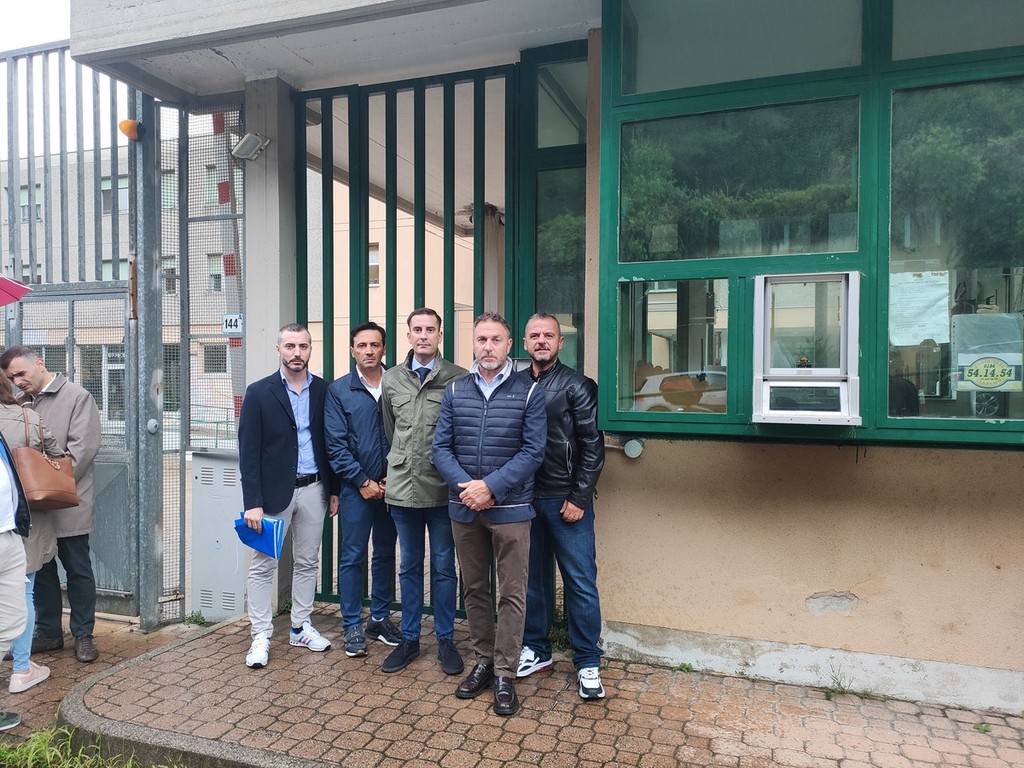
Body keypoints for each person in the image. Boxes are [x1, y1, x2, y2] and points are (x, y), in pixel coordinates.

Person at [431, 312, 546, 717]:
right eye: (482, 339)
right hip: (465, 506)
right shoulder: (455, 390)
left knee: (511, 593)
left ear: (509, 345)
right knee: (475, 589)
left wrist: (491, 487)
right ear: (473, 343)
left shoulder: (529, 391)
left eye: (496, 339)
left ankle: (505, 674)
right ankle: (482, 661)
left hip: (511, 509)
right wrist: (469, 488)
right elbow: (440, 448)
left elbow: (533, 452)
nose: (488, 347)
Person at [238, 323, 340, 669]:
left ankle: (299, 627)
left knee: (308, 561)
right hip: (271, 496)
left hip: (314, 489)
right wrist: (252, 502)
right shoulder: (258, 392)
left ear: (311, 349)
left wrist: (334, 489)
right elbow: (248, 452)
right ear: (278, 349)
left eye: (303, 346)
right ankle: (260, 634)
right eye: (290, 346)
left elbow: (331, 443)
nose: (297, 353)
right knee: (263, 564)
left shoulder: (325, 390)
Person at [517, 313, 607, 699]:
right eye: (534, 335)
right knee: (531, 581)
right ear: (524, 343)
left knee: (580, 583)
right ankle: (537, 650)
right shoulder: (515, 384)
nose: (541, 341)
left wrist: (578, 497)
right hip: (524, 500)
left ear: (560, 342)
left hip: (565, 501)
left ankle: (587, 662)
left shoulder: (578, 385)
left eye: (548, 335)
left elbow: (592, 447)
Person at [379, 308, 466, 675]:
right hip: (403, 487)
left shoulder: (458, 378)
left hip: (443, 488)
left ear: (440, 335)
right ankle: (410, 639)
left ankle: (445, 639)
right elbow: (390, 429)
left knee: (444, 566)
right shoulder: (392, 380)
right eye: (417, 329)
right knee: (409, 566)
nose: (424, 335)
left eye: (431, 329)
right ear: (409, 335)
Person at [0, 346, 101, 664]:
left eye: (21, 373)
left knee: (77, 569)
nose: (17, 381)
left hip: (68, 503)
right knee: (40, 570)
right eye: (11, 378)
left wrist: (45, 483)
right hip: (34, 507)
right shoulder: (19, 402)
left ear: (40, 364)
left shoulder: (77, 397)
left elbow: (82, 452)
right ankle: (48, 632)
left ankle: (83, 634)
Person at [325, 321, 400, 658]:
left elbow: (408, 434)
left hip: (393, 486)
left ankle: (379, 619)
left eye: (375, 345)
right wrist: (362, 482)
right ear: (352, 350)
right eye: (362, 345)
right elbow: (336, 445)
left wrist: (391, 479)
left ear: (384, 348)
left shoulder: (397, 383)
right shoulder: (339, 390)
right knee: (353, 556)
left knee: (385, 553)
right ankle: (352, 624)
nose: (369, 351)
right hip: (357, 489)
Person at [0, 384, 59, 693]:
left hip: (12, 519)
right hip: (21, 519)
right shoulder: (27, 417)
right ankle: (21, 668)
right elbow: (58, 455)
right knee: (23, 592)